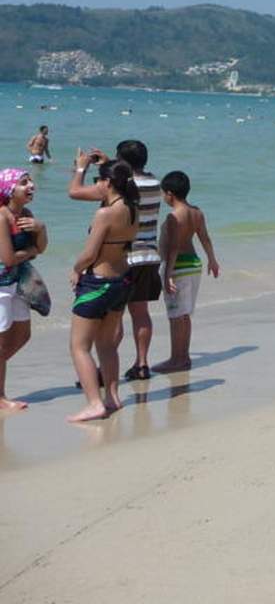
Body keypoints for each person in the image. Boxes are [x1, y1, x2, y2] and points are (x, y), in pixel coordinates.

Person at [69, 139, 163, 381]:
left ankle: (104, 370)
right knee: (141, 313)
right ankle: (142, 363)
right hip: (149, 254)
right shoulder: (155, 183)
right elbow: (124, 178)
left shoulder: (124, 189)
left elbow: (75, 192)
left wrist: (81, 168)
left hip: (124, 257)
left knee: (114, 317)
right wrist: (110, 164)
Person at [67, 159, 140, 423]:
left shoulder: (105, 214)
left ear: (107, 182)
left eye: (99, 180)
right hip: (122, 281)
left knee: (79, 347)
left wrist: (76, 268)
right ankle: (112, 397)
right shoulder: (132, 208)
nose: (96, 185)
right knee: (107, 345)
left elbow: (90, 254)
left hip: (98, 283)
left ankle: (94, 403)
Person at [153, 171, 220, 374]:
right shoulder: (196, 212)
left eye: (163, 193)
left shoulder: (174, 216)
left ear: (170, 194)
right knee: (184, 315)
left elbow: (173, 247)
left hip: (178, 267)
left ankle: (176, 359)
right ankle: (184, 357)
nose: (163, 197)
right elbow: (204, 237)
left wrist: (167, 275)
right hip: (193, 264)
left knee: (175, 316)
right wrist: (212, 260)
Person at [1, 169, 47, 411]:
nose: (31, 185)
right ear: (9, 190)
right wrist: (31, 252)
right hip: (1, 286)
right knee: (0, 343)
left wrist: (41, 228)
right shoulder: (1, 217)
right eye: (23, 182)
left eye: (30, 181)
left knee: (22, 334)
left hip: (18, 283)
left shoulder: (26, 214)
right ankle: (0, 397)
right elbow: (8, 259)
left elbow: (42, 248)